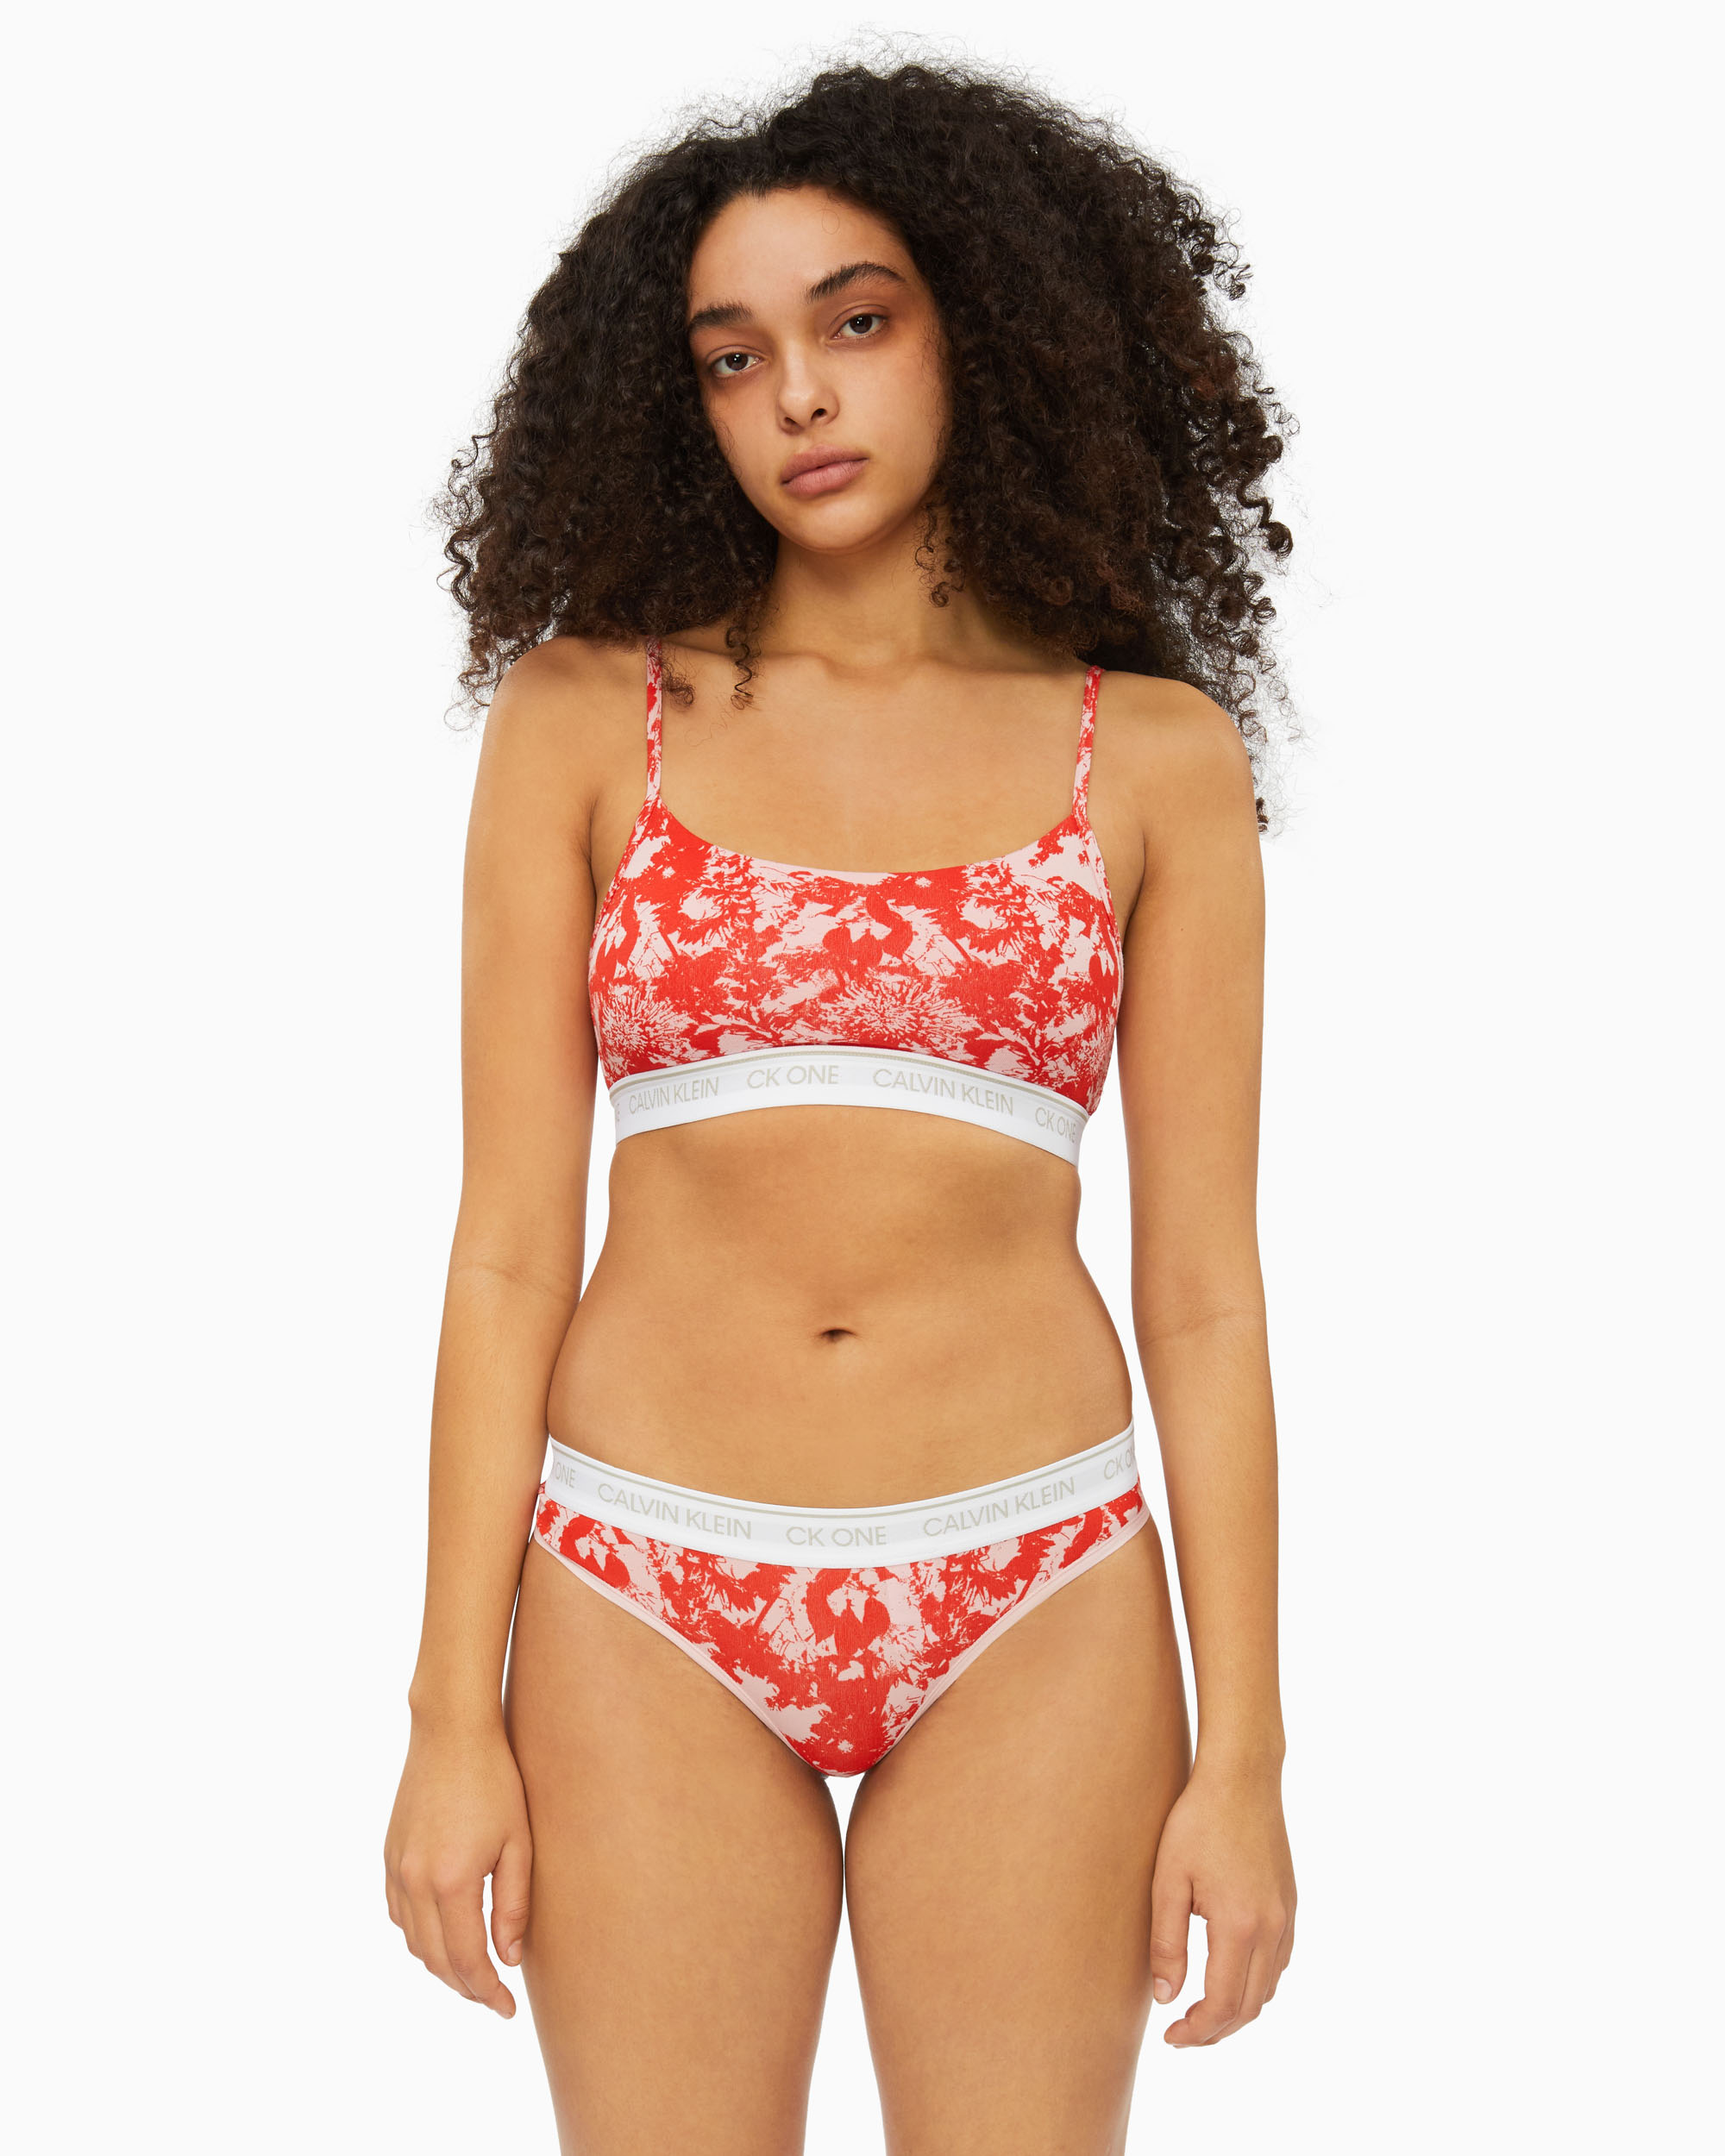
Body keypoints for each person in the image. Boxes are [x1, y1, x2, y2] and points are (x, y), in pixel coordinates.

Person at [385, 58, 1297, 2155]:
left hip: (1037, 1581)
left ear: (986, 323)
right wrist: (446, 1708)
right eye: (733, 355)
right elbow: (507, 1247)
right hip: (642, 1580)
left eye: (856, 320)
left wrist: (1244, 1751)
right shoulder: (582, 717)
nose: (796, 393)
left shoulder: (1153, 759)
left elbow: (1206, 1292)